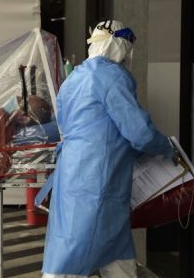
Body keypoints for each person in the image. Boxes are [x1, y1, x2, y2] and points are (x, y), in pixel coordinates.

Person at [37, 20, 174, 278]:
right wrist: (166, 148)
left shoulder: (74, 78)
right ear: (120, 46)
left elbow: (83, 128)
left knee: (88, 250)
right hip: (98, 179)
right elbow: (140, 133)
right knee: (79, 258)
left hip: (71, 177)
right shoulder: (112, 76)